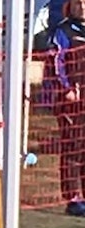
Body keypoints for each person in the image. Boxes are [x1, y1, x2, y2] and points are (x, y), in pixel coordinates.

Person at [53, 0, 85, 216]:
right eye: (78, 3)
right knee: (73, 148)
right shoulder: (63, 31)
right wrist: (66, 88)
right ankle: (73, 198)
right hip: (72, 101)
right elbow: (56, 61)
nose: (82, 7)